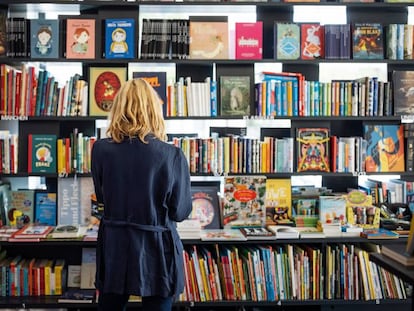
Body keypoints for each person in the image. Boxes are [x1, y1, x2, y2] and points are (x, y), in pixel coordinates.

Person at [91, 78, 192, 311]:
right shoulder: (171, 154)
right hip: (157, 249)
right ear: (154, 110)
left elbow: (103, 198)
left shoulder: (100, 149)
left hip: (115, 246)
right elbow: (180, 211)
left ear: (118, 108)